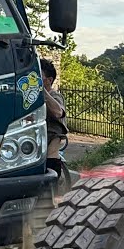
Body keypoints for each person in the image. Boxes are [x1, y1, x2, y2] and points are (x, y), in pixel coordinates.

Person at [40, 59, 70, 190]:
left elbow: (59, 112)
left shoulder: (54, 96)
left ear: (49, 80)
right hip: (38, 139)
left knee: (51, 160)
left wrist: (42, 91)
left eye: (39, 76)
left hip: (52, 138)